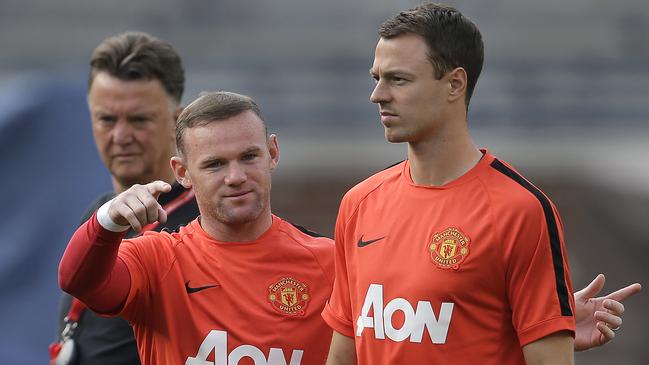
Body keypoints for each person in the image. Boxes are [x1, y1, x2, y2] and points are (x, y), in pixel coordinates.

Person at [322, 3, 642, 364]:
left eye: (398, 79)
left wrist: (545, 325)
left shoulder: (519, 211)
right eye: (376, 78)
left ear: (455, 84)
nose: (377, 95)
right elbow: (343, 355)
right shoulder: (360, 203)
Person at [58, 91, 335, 364]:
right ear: (183, 172)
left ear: (272, 153)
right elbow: (79, 282)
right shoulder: (158, 260)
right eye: (215, 164)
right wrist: (107, 219)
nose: (236, 177)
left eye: (249, 157)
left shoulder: (330, 262)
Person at [51, 31, 199, 365]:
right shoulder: (100, 214)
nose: (121, 136)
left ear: (177, 122)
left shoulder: (203, 225)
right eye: (106, 119)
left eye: (138, 119)